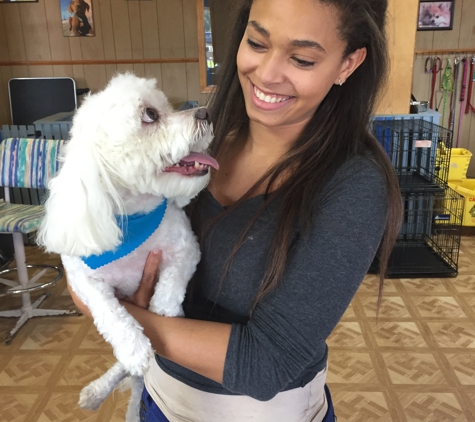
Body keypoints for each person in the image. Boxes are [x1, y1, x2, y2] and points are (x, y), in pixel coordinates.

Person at [69, 0, 402, 420]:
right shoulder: (199, 138)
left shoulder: (354, 185)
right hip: (159, 397)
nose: (266, 74)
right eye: (257, 42)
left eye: (301, 59)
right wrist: (87, 277)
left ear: (347, 64)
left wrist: (121, 319)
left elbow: (266, 364)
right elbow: (95, 231)